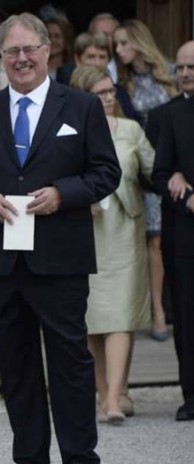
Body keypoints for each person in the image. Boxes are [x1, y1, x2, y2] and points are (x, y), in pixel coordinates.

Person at [0, 13, 120, 464]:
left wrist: (63, 194)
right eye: (12, 51)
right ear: (1, 56)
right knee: (16, 365)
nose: (21, 59)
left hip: (60, 257)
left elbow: (106, 173)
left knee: (70, 363)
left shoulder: (81, 107)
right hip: (1, 260)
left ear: (47, 51)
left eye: (29, 49)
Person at [70, 65, 153, 425]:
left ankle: (116, 396)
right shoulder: (69, 132)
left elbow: (155, 171)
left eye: (110, 91)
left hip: (124, 231)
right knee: (93, 317)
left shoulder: (131, 130)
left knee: (121, 314)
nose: (107, 98)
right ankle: (103, 392)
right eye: (98, 93)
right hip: (85, 231)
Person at [114, 20, 178, 343]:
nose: (118, 50)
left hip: (177, 164)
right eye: (116, 44)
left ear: (139, 42)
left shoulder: (172, 73)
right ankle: (158, 311)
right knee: (153, 240)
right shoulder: (122, 85)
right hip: (145, 169)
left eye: (124, 43)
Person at [145, 41, 194, 391]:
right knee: (187, 319)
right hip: (184, 235)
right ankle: (191, 395)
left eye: (192, 67)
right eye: (180, 68)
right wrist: (186, 196)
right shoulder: (169, 116)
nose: (185, 73)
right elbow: (159, 174)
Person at [88, 12, 120, 83]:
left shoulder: (126, 67)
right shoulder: (83, 66)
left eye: (112, 35)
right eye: (104, 34)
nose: (108, 39)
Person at [44, 16, 74, 81]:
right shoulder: (35, 70)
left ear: (66, 40)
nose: (52, 40)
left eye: (57, 36)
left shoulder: (73, 71)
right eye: (49, 36)